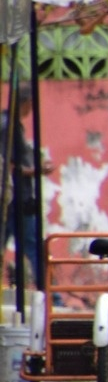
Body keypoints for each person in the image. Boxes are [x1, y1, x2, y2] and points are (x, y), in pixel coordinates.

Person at [1, 85, 51, 289]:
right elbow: (8, 165)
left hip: (17, 196)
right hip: (16, 197)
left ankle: (48, 290)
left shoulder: (12, 125)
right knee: (33, 246)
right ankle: (49, 291)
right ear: (26, 103)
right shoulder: (8, 127)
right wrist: (37, 170)